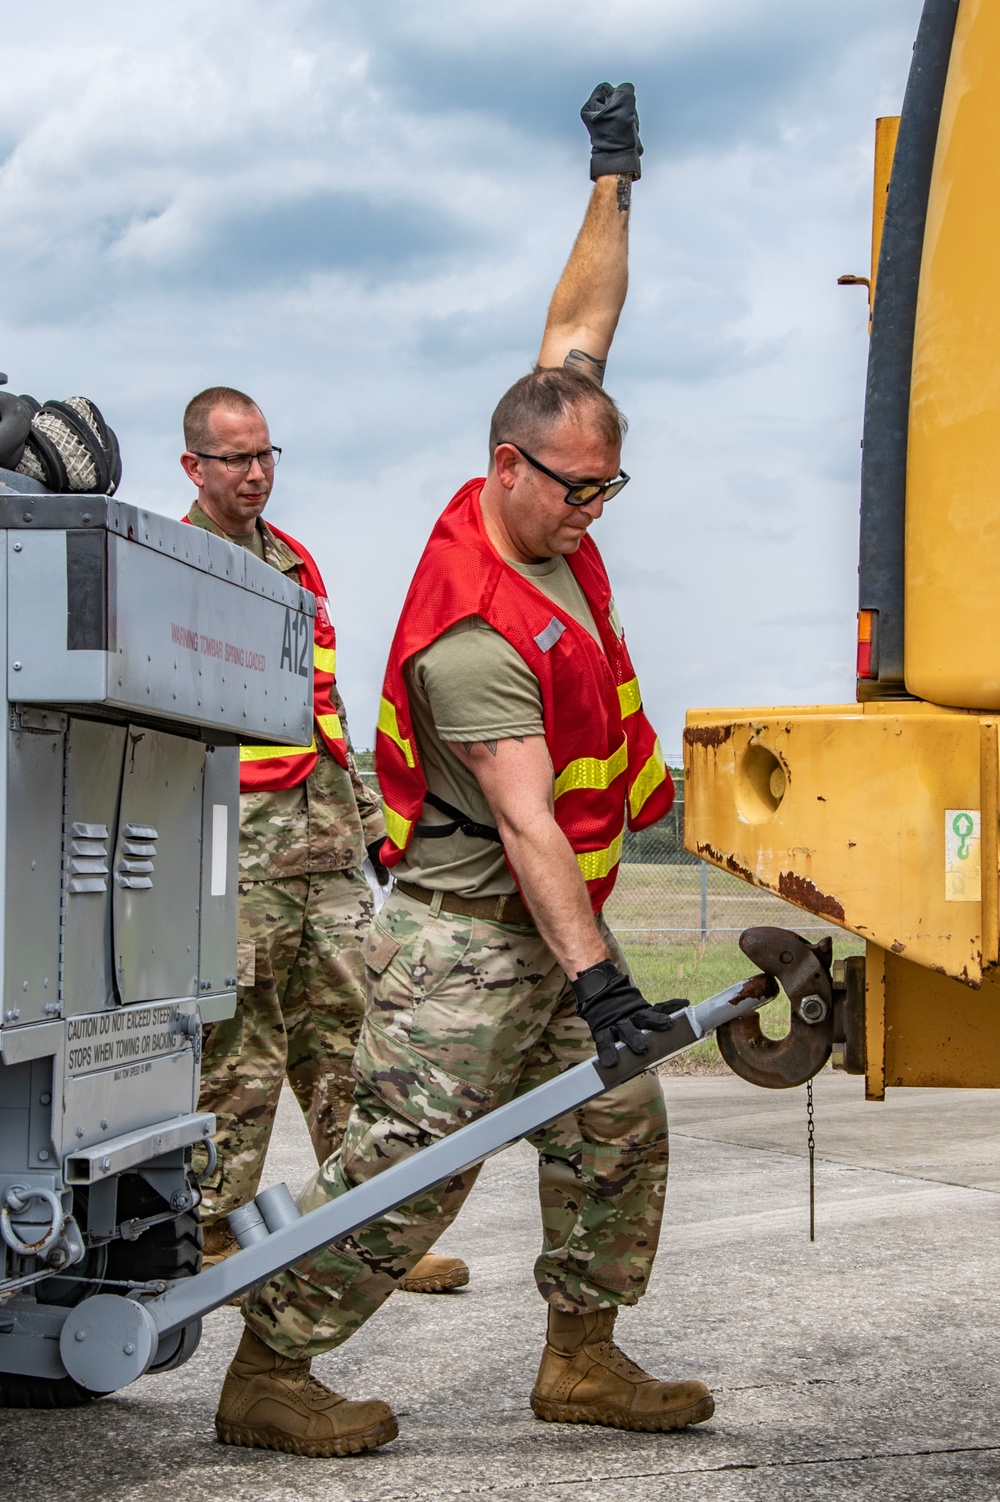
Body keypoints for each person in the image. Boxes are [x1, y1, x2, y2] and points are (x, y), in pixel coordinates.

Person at [215, 81, 713, 1460]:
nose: (597, 511)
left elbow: (578, 332)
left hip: (547, 930)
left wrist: (612, 179)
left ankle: (584, 1357)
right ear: (510, 465)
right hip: (473, 940)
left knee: (618, 1128)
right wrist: (607, 983)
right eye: (578, 490)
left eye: (610, 487)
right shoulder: (477, 631)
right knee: (406, 1179)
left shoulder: (554, 468)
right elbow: (528, 824)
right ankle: (269, 1369)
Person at [180, 390, 469, 1296]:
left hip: (327, 850)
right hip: (232, 858)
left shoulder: (295, 563)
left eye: (266, 455)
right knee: (238, 1053)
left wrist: (377, 833)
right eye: (236, 459)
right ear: (194, 467)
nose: (257, 474)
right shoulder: (177, 564)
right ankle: (211, 1234)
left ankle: (371, 1229)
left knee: (354, 1043)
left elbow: (326, 714)